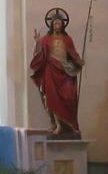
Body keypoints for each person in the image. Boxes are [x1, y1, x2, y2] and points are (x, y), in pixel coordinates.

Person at [30, 8, 83, 137]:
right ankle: (57, 125)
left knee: (69, 97)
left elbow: (73, 53)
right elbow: (37, 54)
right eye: (55, 24)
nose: (57, 26)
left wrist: (78, 61)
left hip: (65, 72)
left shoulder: (67, 39)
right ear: (52, 25)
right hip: (51, 71)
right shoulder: (46, 39)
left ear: (63, 25)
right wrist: (37, 43)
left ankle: (71, 125)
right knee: (51, 98)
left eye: (59, 24)